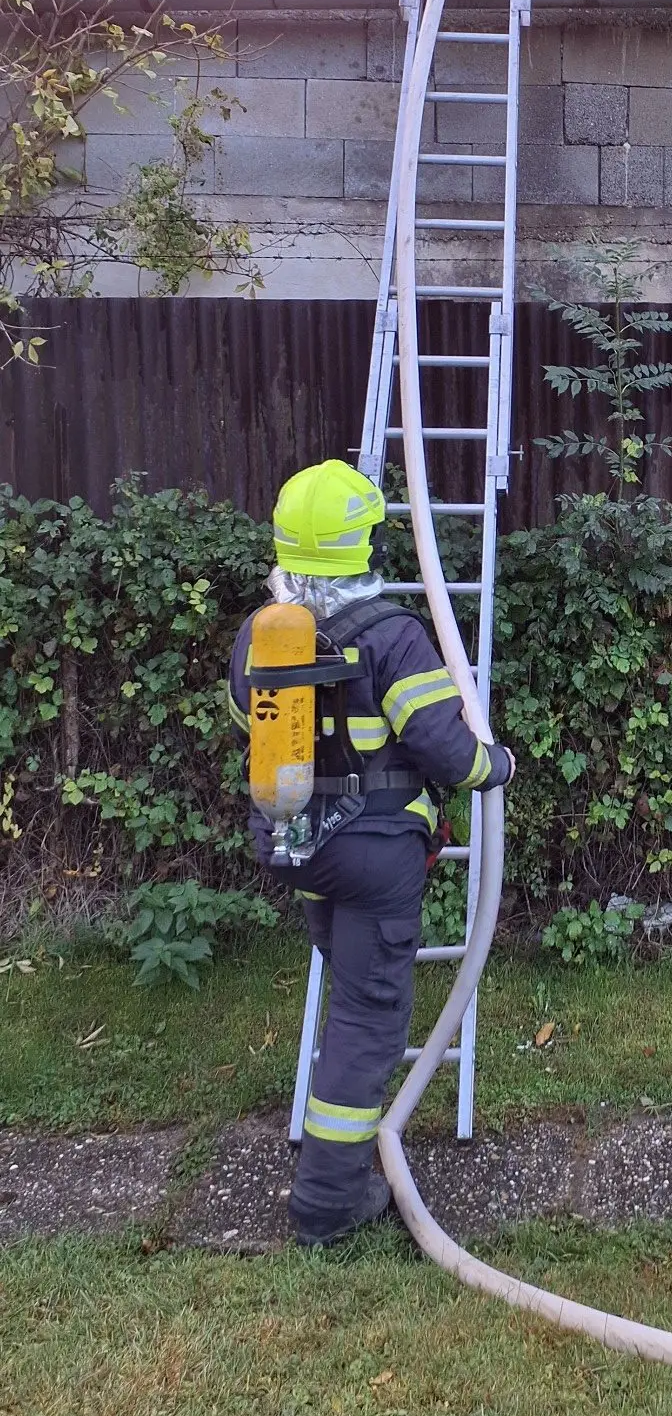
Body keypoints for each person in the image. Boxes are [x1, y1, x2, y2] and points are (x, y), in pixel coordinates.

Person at [228, 459, 515, 1248]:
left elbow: (247, 723)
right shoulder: (391, 637)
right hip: (374, 855)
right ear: (367, 547)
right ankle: (327, 1206)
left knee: (347, 983)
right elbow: (447, 750)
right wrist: (500, 766)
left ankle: (332, 1165)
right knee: (366, 1018)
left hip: (293, 845)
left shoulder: (260, 636)